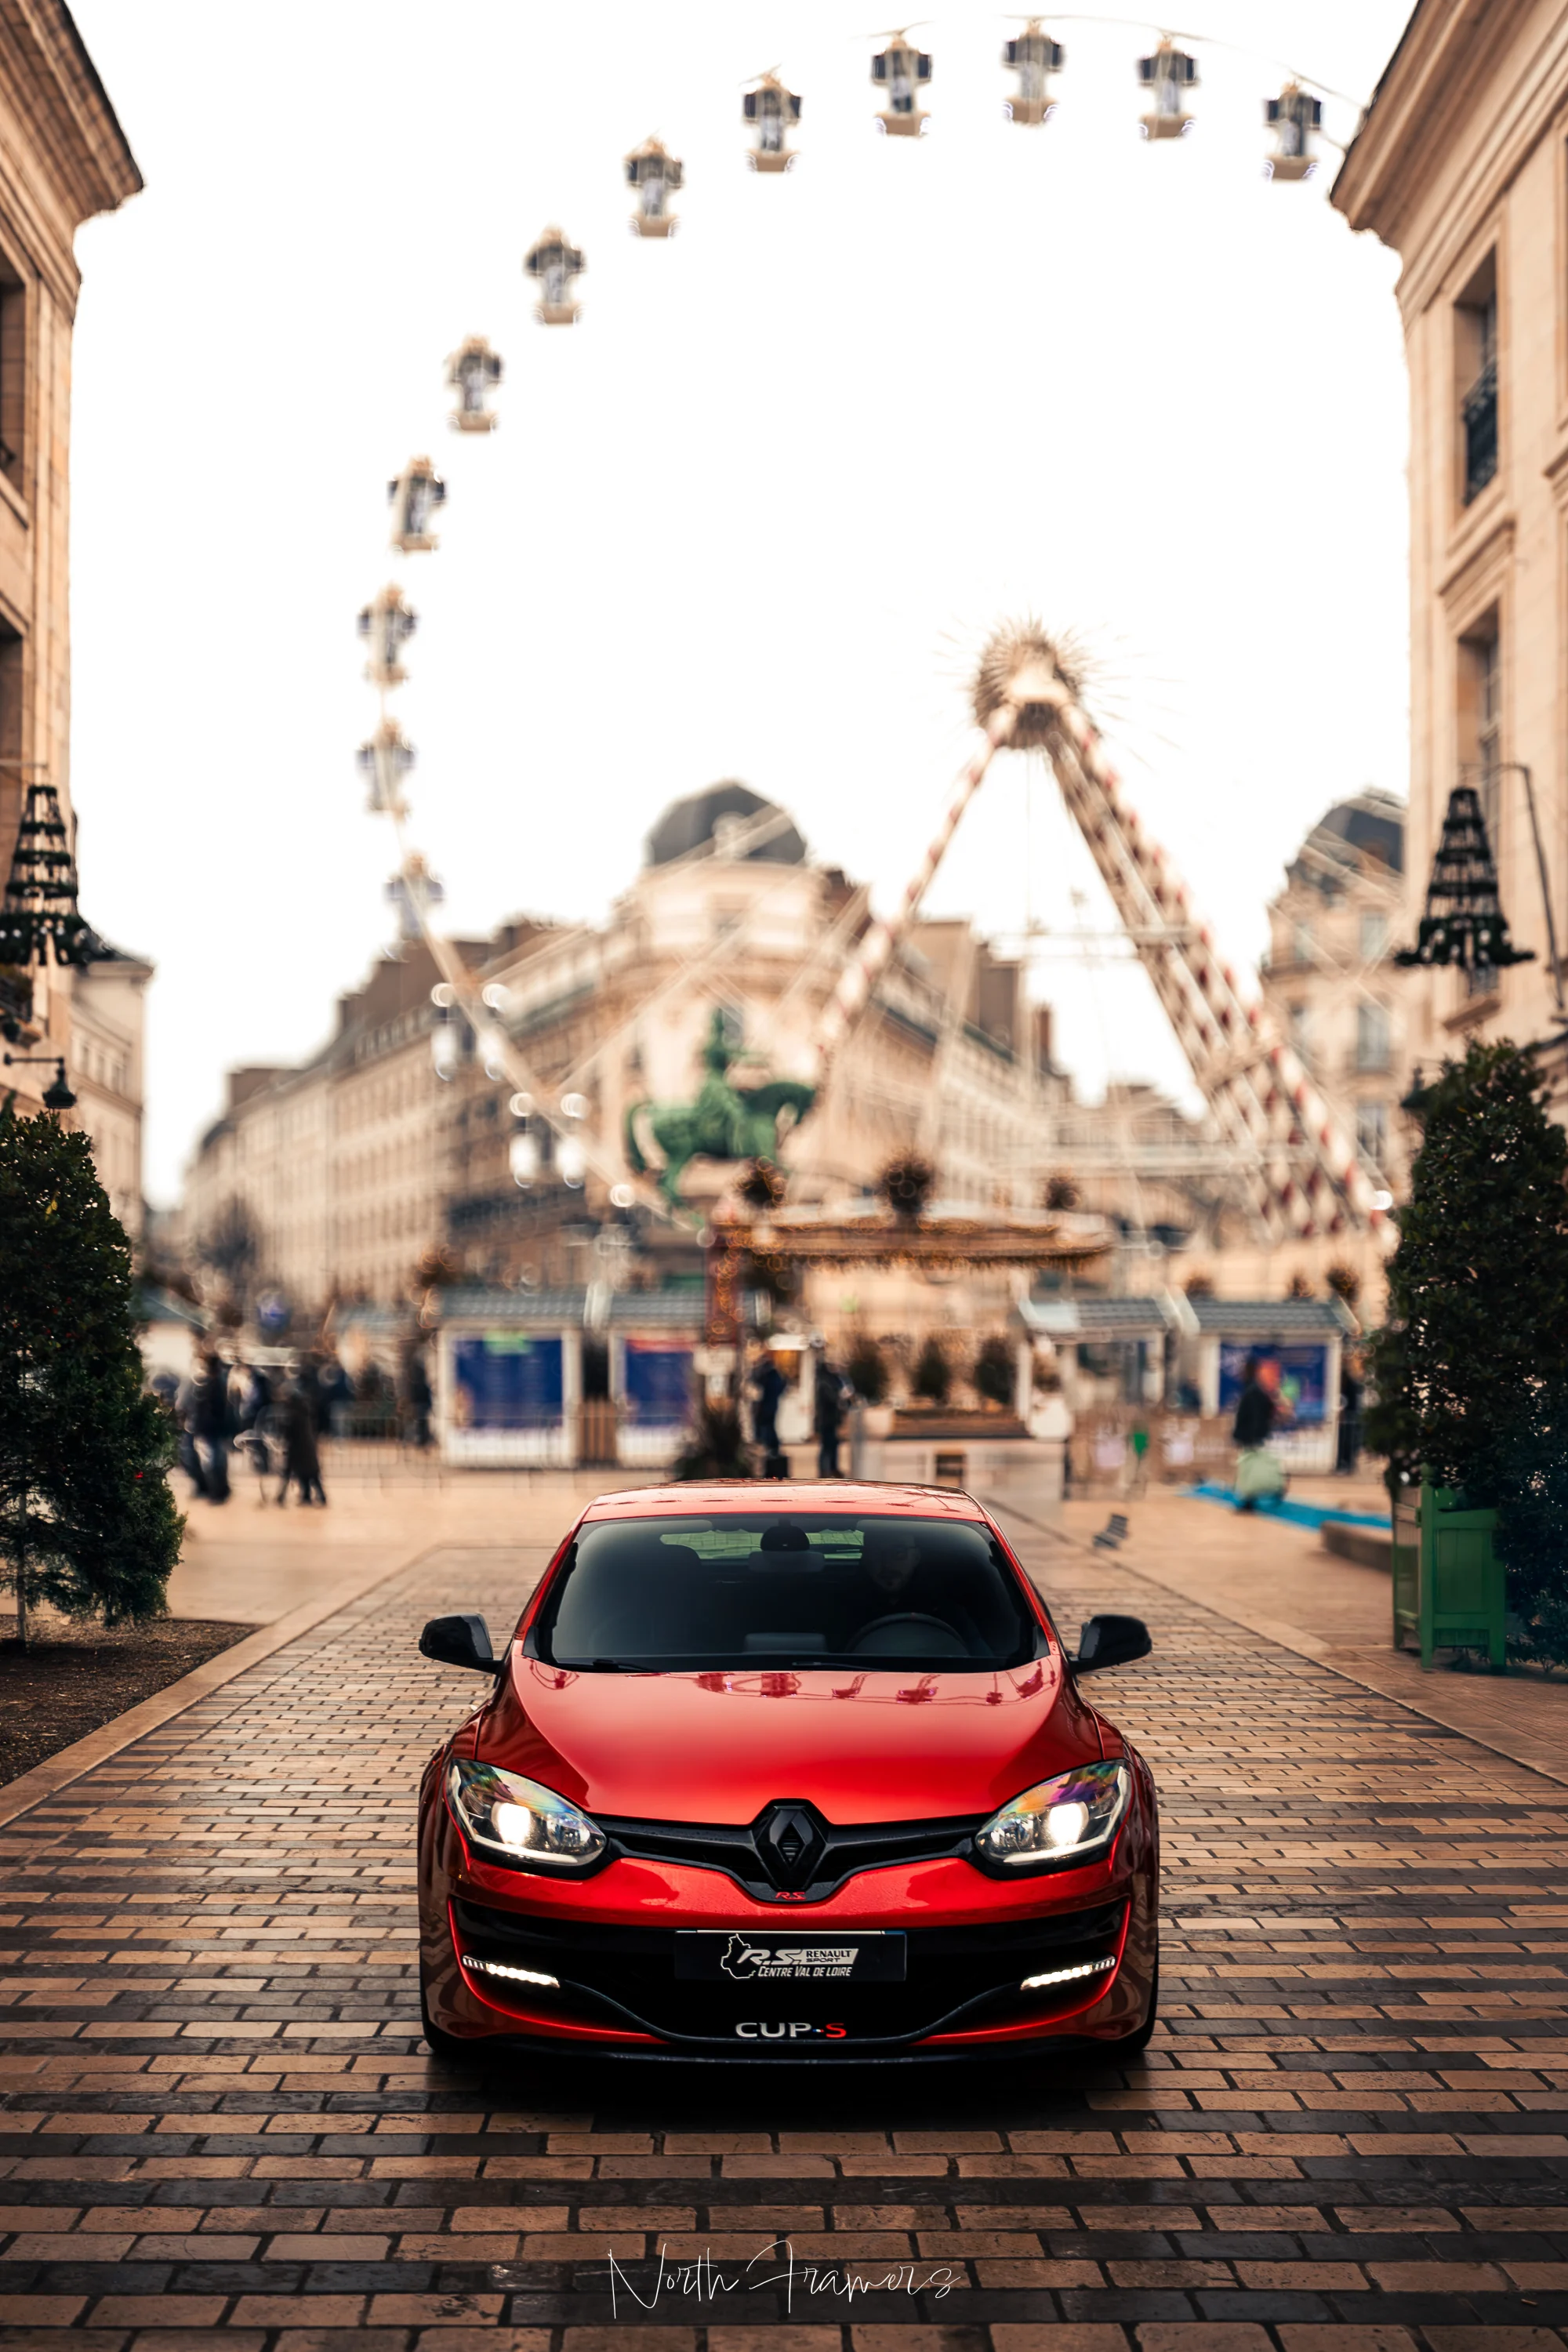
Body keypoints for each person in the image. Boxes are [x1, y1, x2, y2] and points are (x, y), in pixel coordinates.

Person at [1232, 1355, 1285, 1512]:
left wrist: (1252, 1436)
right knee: (1250, 1469)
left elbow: (1255, 1415)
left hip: (1251, 1438)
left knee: (1250, 1469)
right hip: (1252, 1436)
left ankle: (1250, 1499)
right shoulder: (1255, 1389)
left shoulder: (1253, 1390)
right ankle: (1249, 1499)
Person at [190, 1352, 234, 1504]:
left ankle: (218, 1492)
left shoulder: (213, 1385)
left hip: (212, 1430)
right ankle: (220, 1491)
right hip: (215, 1430)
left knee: (214, 1462)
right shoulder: (218, 1383)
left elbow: (213, 1410)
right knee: (217, 1461)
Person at [278, 1377, 327, 1508]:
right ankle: (308, 1497)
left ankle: (281, 1497)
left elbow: (288, 1433)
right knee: (312, 1477)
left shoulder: (294, 1416)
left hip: (298, 1451)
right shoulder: (304, 1413)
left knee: (293, 1475)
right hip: (307, 1452)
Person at [749, 1348, 787, 1478]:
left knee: (766, 1427)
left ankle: (770, 1450)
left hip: (766, 1405)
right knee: (769, 1426)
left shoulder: (764, 1374)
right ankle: (772, 1450)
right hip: (771, 1404)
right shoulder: (774, 1373)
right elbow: (782, 1387)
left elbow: (759, 1390)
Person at [813, 1355, 850, 1479]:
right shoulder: (825, 1382)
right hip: (827, 1419)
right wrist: (841, 1396)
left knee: (832, 1445)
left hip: (831, 1419)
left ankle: (832, 1468)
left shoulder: (831, 1381)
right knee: (827, 1446)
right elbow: (831, 1399)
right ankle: (825, 1470)